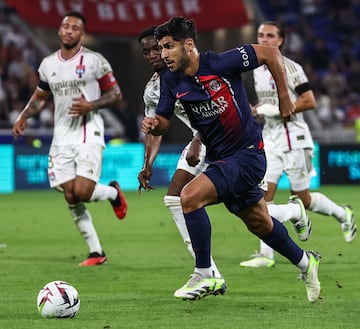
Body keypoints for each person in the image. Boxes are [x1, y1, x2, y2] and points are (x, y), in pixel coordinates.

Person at [142, 16, 321, 303]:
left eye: (168, 47)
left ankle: (206, 273)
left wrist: (285, 98)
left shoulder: (222, 63)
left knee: (188, 197)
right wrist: (155, 125)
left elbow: (271, 53)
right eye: (161, 48)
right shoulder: (171, 80)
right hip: (220, 159)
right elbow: (163, 120)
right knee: (260, 223)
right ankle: (305, 262)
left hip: (247, 154)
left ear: (188, 45)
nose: (163, 54)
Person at [12, 11, 128, 266]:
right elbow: (41, 97)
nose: (69, 30)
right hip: (62, 136)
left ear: (82, 34)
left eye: (75, 28)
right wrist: (23, 116)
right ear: (59, 30)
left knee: (83, 191)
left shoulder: (95, 61)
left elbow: (115, 94)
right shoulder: (48, 65)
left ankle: (113, 193)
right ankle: (96, 252)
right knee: (70, 196)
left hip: (89, 131)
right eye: (66, 26)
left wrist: (92, 104)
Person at [240, 21, 356, 268]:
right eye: (261, 35)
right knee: (262, 196)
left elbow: (309, 100)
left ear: (280, 40)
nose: (264, 38)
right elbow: (268, 104)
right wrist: (258, 110)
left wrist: (278, 109)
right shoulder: (258, 70)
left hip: (295, 139)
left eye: (270, 35)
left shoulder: (291, 68)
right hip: (270, 141)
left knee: (302, 198)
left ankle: (342, 214)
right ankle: (266, 254)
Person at [137, 27, 224, 285]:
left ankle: (293, 212)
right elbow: (155, 128)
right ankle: (209, 272)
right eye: (147, 51)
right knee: (174, 198)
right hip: (202, 141)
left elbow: (216, 105)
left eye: (158, 47)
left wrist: (198, 139)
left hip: (227, 138)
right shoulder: (153, 88)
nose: (154, 54)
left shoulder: (192, 70)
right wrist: (147, 164)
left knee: (254, 210)